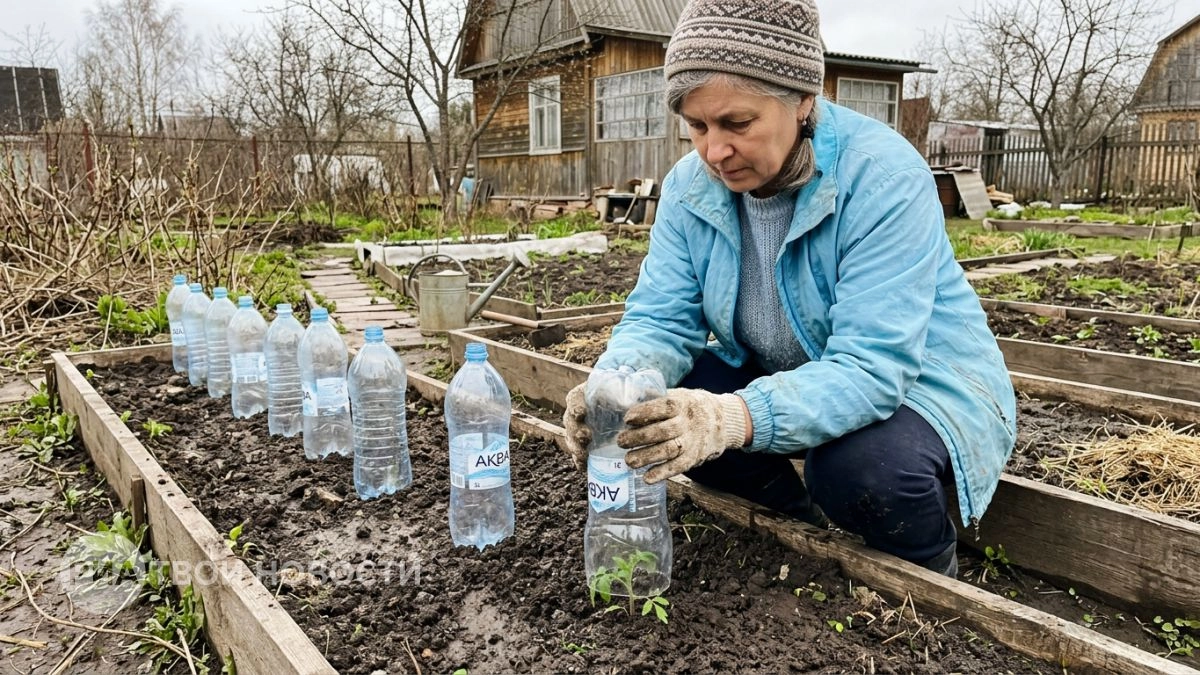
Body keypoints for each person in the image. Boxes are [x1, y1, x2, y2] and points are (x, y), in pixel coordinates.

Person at [562, 0, 1016, 578]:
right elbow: (659, 319)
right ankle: (795, 531)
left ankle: (928, 575)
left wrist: (728, 418)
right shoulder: (688, 188)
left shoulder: (881, 175)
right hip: (788, 372)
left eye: (737, 124)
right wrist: (612, 387)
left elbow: (872, 367)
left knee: (861, 470)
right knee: (657, 414)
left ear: (804, 100)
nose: (713, 151)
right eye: (697, 127)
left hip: (922, 384)